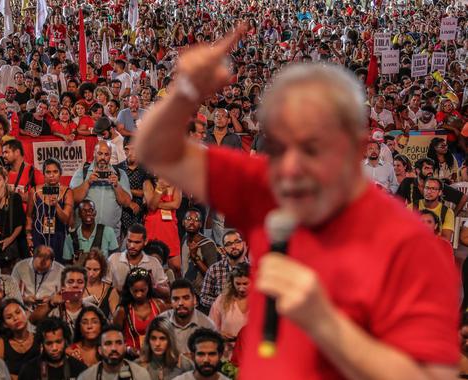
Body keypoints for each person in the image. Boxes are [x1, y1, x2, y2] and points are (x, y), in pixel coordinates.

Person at [135, 29, 458, 378]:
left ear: (356, 145)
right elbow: (154, 149)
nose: (292, 164)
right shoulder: (269, 187)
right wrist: (186, 90)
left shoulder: (409, 243)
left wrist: (323, 322)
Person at [70, 140, 132, 237]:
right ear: (94, 153)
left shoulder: (120, 174)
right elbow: (73, 198)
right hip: (85, 236)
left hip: (111, 237)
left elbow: (126, 203)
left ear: (110, 155)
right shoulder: (82, 173)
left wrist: (116, 186)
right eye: (100, 153)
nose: (103, 157)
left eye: (106, 154)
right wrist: (88, 182)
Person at [112, 267, 168, 356]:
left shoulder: (159, 305)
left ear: (149, 288)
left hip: (157, 356)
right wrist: (128, 349)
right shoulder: (122, 311)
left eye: (142, 290)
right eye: (135, 291)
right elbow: (113, 337)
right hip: (132, 358)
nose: (139, 294)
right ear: (129, 289)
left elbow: (168, 332)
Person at [26, 158, 73, 262]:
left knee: (58, 268)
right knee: (40, 266)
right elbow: (29, 216)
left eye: (55, 172)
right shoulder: (35, 191)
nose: (52, 175)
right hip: (39, 236)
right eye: (48, 172)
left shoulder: (67, 191)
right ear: (44, 173)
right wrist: (29, 237)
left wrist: (56, 205)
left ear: (60, 173)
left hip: (58, 237)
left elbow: (66, 219)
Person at [107, 224, 170, 297]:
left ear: (145, 241)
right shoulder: (114, 259)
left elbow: (167, 292)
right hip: (120, 304)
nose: (132, 246)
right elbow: (105, 287)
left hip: (146, 305)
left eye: (137, 242)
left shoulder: (154, 263)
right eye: (129, 241)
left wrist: (154, 285)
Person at [18, 317, 87, 380]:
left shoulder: (79, 369)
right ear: (42, 344)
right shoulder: (29, 371)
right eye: (49, 343)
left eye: (58, 342)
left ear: (65, 341)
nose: (54, 348)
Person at [159, 279, 216, 356]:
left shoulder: (207, 326)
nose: (180, 303)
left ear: (195, 300)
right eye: (175, 299)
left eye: (186, 298)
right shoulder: (161, 322)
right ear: (171, 302)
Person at [29, 266, 94, 329]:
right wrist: (50, 304)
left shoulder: (92, 309)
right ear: (63, 286)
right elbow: (33, 320)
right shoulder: (52, 308)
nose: (75, 285)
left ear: (85, 287)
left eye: (80, 282)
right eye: (70, 282)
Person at [77, 325, 151, 380]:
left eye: (118, 343)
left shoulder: (140, 375)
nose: (114, 348)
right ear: (100, 350)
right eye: (108, 343)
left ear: (125, 347)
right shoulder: (86, 377)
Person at [200, 230, 248, 313]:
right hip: (221, 317)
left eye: (237, 242)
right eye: (228, 244)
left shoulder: (253, 270)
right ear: (223, 249)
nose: (233, 246)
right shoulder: (214, 269)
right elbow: (204, 297)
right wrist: (222, 303)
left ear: (243, 244)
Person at [397, 157, 467, 213]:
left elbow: (463, 197)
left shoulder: (437, 184)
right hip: (414, 220)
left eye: (431, 168)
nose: (430, 171)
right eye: (427, 168)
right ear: (418, 170)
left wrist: (454, 215)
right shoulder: (407, 182)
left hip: (433, 224)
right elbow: (397, 202)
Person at [208, 263, 250, 357]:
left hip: (253, 355)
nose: (241, 288)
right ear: (232, 282)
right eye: (238, 284)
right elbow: (210, 327)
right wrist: (219, 334)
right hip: (227, 355)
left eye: (245, 284)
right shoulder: (222, 300)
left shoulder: (261, 301)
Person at [143, 176, 182, 274]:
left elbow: (176, 204)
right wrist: (159, 188)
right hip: (153, 228)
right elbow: (151, 207)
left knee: (176, 267)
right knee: (152, 267)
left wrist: (157, 204)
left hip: (170, 229)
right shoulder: (148, 183)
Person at [0, 299, 39, 379]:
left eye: (18, 312)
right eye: (9, 317)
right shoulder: (0, 343)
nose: (15, 318)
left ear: (26, 313)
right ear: (5, 324)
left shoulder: (39, 339)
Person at [11, 245, 63, 312]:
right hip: (25, 310)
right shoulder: (20, 267)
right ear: (33, 257)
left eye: (44, 270)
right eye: (37, 269)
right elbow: (10, 294)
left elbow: (67, 296)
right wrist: (25, 299)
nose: (40, 272)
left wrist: (52, 299)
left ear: (52, 261)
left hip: (51, 311)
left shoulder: (61, 271)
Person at [180, 209, 218, 297]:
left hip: (203, 295)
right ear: (183, 222)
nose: (192, 222)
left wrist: (195, 257)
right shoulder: (184, 239)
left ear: (201, 224)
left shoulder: (208, 245)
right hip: (188, 291)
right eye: (188, 218)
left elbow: (213, 275)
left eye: (196, 220)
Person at [407, 177, 455, 242]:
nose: (429, 192)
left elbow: (446, 239)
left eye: (433, 189)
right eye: (427, 188)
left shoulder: (447, 212)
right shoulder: (411, 207)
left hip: (436, 246)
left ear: (440, 192)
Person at [2, 139, 44, 206]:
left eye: (6, 152)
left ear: (17, 152)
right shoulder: (2, 172)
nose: (3, 156)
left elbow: (46, 199)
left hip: (26, 215)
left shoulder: (34, 173)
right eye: (3, 153)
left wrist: (27, 198)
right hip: (6, 215)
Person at [79, 249, 119, 318]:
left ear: (102, 270)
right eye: (88, 269)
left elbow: (116, 318)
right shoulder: (76, 288)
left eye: (95, 270)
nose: (91, 274)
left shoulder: (110, 290)